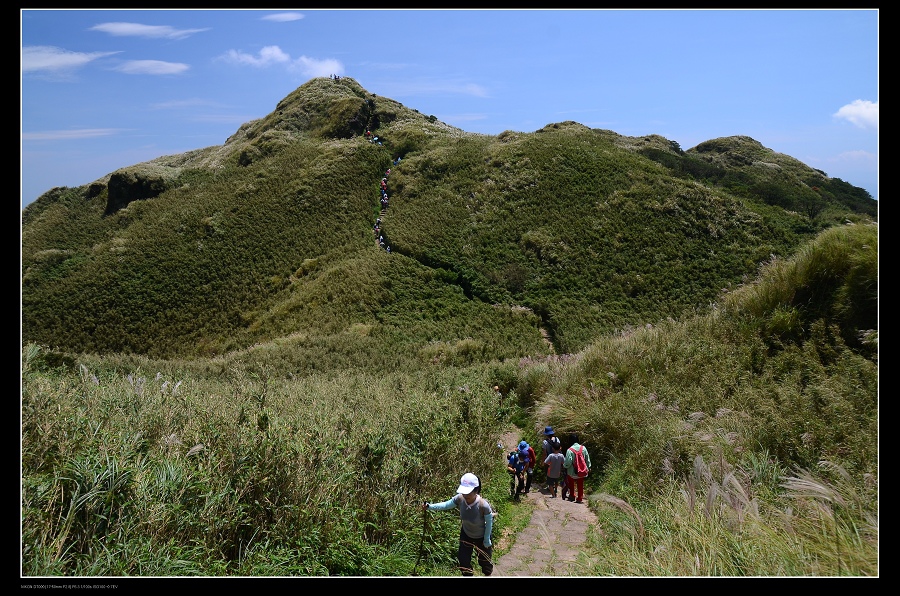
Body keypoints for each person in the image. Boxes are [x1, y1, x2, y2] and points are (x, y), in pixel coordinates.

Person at [424, 473, 494, 576]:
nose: (465, 495)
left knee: (485, 562)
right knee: (463, 561)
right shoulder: (460, 499)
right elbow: (446, 505)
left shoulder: (483, 505)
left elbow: (489, 523)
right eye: (464, 492)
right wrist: (430, 506)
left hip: (482, 536)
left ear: (476, 490)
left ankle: (488, 574)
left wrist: (487, 539)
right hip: (466, 534)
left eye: (468, 492)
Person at [563, 433, 591, 503]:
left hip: (572, 472)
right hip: (581, 471)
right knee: (580, 484)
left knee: (571, 483)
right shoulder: (583, 448)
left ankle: (572, 495)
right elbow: (587, 459)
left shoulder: (569, 450)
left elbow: (568, 463)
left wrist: (564, 466)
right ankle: (580, 498)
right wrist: (588, 467)